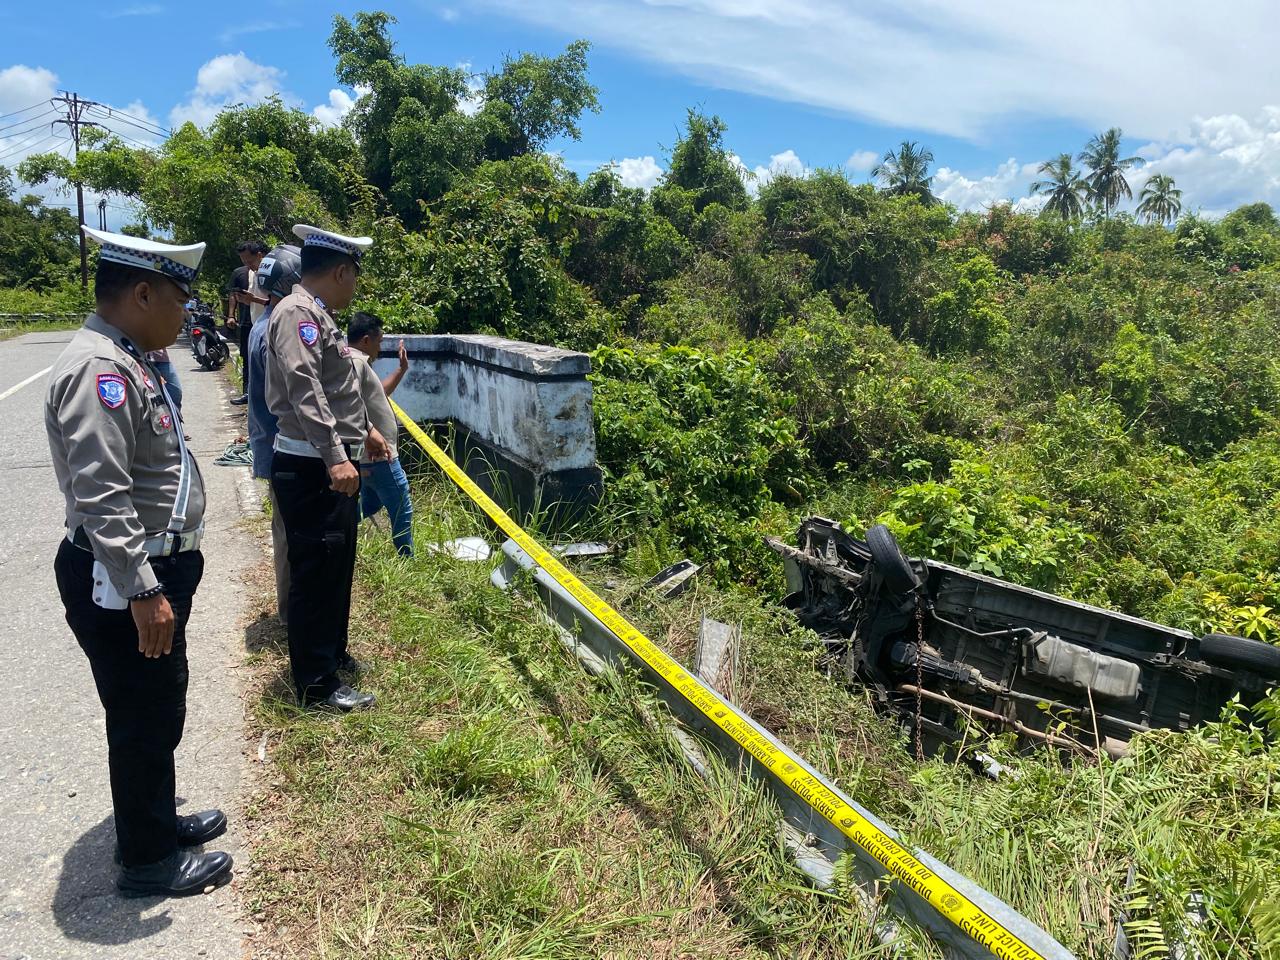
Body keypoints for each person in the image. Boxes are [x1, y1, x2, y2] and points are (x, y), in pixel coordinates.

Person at [46, 226, 233, 898]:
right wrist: (143, 587)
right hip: (128, 576)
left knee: (157, 707)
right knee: (141, 716)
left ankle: (156, 819)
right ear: (144, 292)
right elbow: (101, 492)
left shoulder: (127, 357)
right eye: (179, 300)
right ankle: (147, 861)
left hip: (145, 571)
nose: (187, 315)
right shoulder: (103, 371)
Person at [264, 224, 390, 711]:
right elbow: (305, 388)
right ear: (340, 270)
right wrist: (337, 456)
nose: (355, 284)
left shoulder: (317, 315)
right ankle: (317, 684)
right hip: (312, 465)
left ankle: (330, 657)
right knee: (316, 570)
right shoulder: (299, 314)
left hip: (328, 463)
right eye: (354, 274)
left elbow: (339, 389)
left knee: (335, 564)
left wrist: (364, 432)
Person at [248, 243, 302, 626]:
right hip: (284, 448)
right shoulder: (275, 332)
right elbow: (291, 401)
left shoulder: (262, 324)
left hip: (269, 445)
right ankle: (291, 615)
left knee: (285, 531)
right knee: (290, 537)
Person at [347, 312, 414, 556]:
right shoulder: (355, 363)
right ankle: (407, 560)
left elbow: (377, 394)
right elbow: (348, 406)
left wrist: (401, 369)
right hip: (379, 456)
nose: (380, 347)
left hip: (371, 458)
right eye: (379, 341)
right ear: (366, 340)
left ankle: (335, 530)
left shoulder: (360, 363)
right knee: (402, 509)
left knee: (370, 503)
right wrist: (368, 435)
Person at [227, 241, 267, 406]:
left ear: (259, 255)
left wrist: (253, 299)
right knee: (248, 358)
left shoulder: (270, 273)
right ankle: (247, 393)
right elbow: (232, 295)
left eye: (249, 261)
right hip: (248, 322)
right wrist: (231, 316)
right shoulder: (241, 273)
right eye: (244, 262)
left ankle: (264, 396)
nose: (248, 265)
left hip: (266, 324)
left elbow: (277, 301)